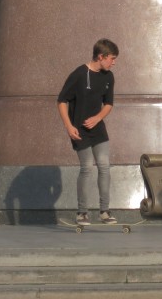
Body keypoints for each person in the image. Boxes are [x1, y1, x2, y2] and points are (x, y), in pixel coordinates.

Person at [57, 38, 119, 225]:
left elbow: (108, 104)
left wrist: (98, 117)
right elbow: (61, 101)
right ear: (101, 56)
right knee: (87, 167)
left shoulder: (109, 76)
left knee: (104, 166)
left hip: (98, 130)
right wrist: (69, 126)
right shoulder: (78, 74)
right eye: (112, 58)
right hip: (79, 130)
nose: (114, 62)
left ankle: (105, 211)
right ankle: (82, 213)